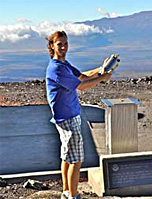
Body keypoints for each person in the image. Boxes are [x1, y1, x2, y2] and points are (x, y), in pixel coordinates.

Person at [45, 31, 111, 199]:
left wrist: (101, 69)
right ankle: (73, 196)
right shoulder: (56, 69)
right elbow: (81, 86)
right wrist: (102, 78)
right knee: (76, 159)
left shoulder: (64, 65)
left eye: (66, 43)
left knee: (67, 156)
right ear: (52, 46)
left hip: (66, 116)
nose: (64, 47)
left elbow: (82, 76)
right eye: (60, 44)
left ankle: (67, 192)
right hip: (68, 118)